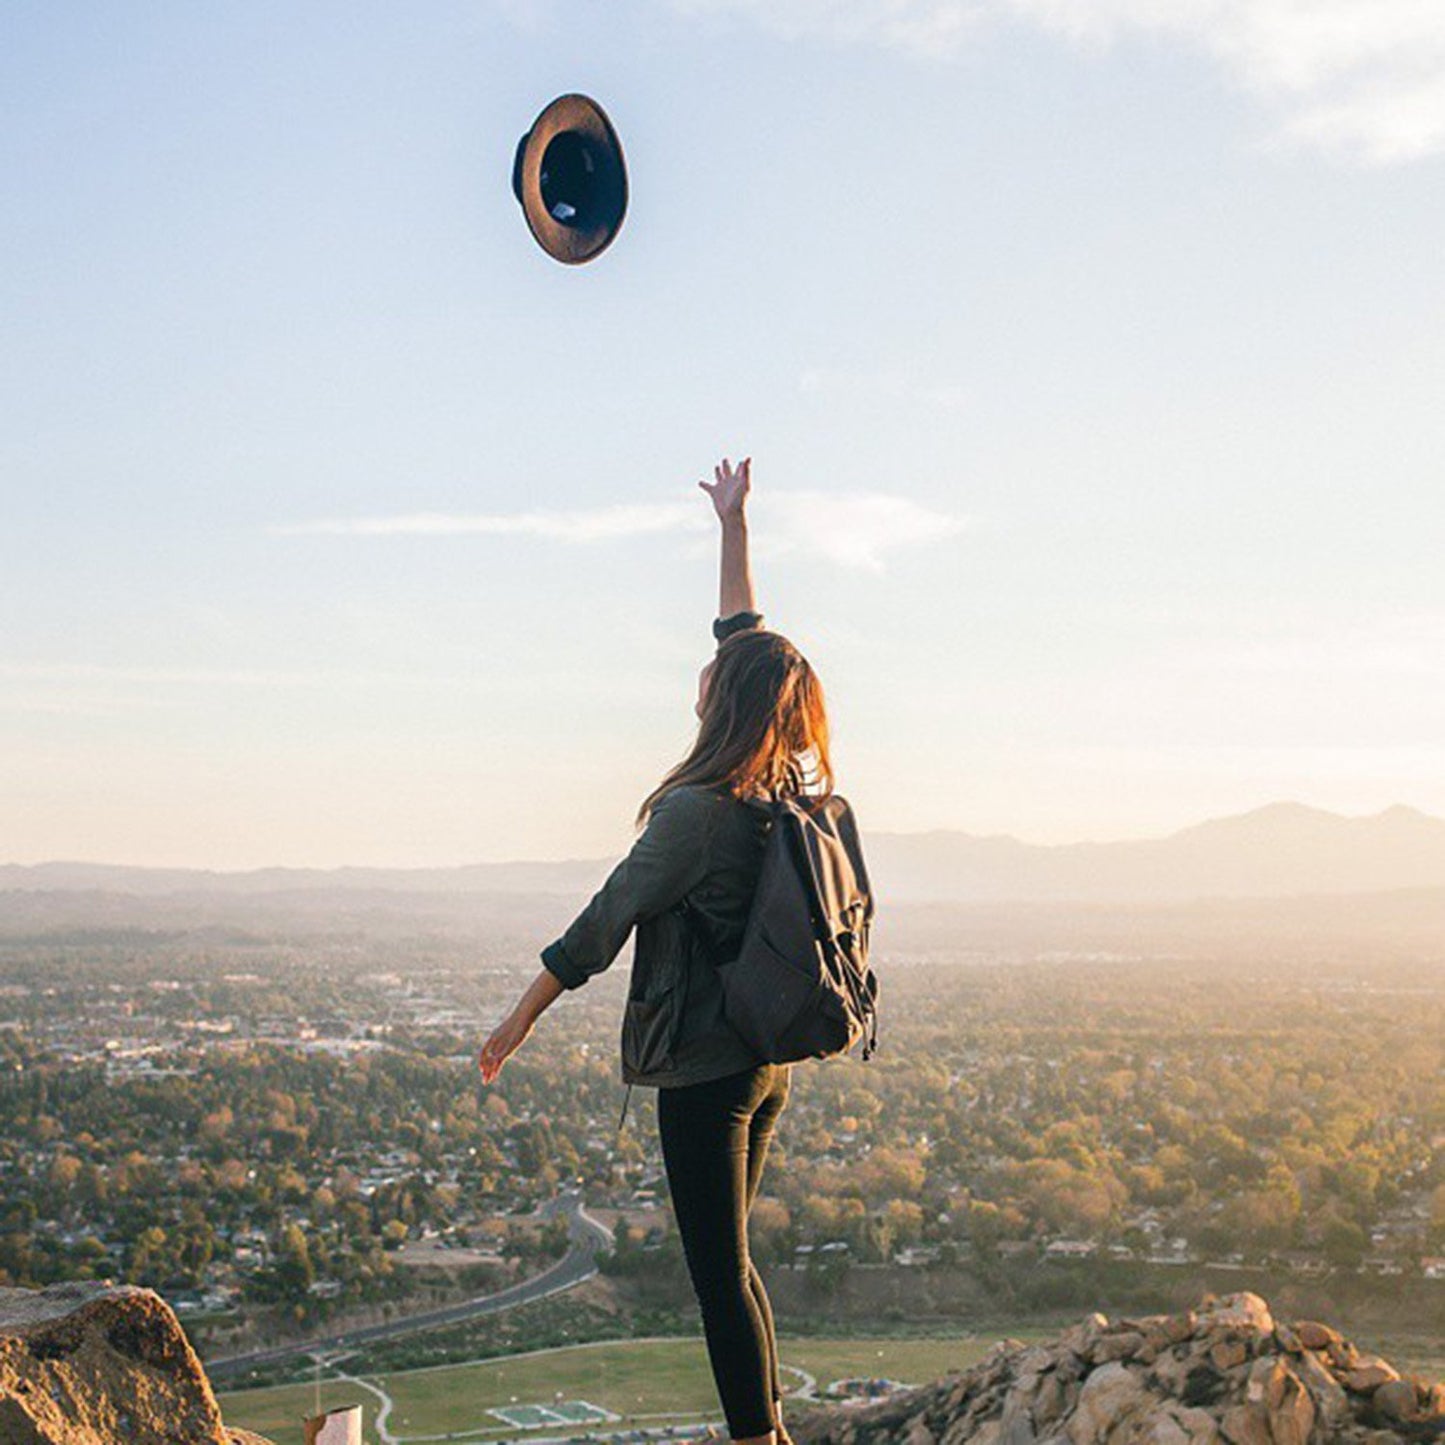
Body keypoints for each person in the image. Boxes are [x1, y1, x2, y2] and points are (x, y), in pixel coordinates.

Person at [478, 456, 835, 1445]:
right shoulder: (777, 790)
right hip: (762, 1062)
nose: (708, 662)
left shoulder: (693, 814)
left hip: (705, 1074)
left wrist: (518, 1016)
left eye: (719, 668)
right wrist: (732, 525)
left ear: (725, 703)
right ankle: (770, 1431)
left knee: (717, 1277)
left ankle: (755, 1438)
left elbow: (600, 923)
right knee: (738, 1267)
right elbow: (744, 632)